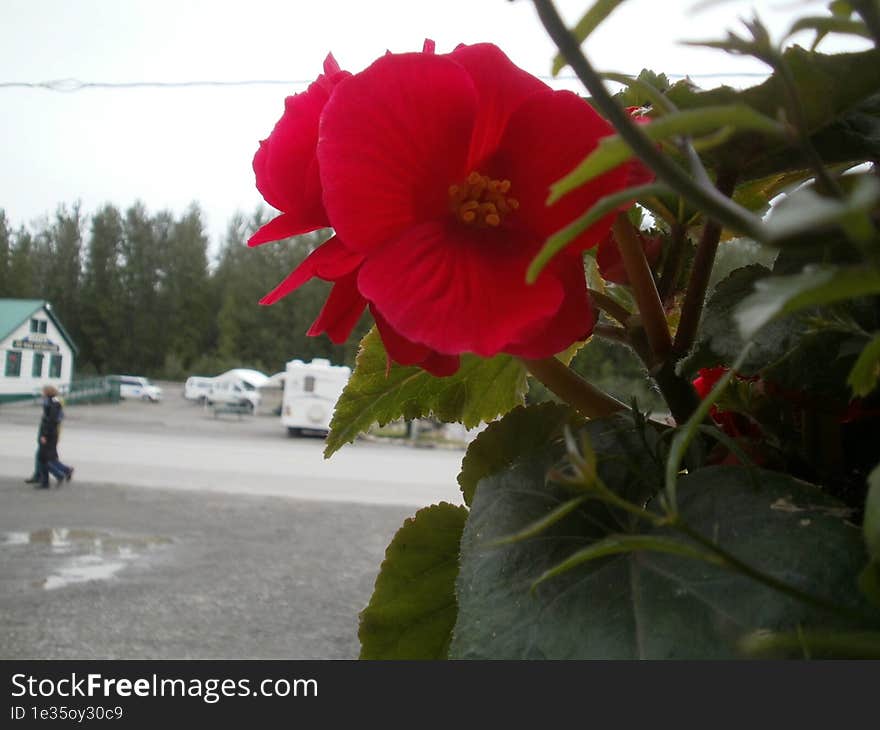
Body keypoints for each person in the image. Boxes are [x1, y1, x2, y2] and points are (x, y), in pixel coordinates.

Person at [33, 385, 74, 488]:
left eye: (43, 391)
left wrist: (45, 435)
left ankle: (52, 478)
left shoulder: (53, 403)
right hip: (51, 433)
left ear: (47, 392)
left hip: (50, 434)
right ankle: (63, 472)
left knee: (43, 458)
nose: (42, 393)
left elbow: (51, 420)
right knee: (50, 457)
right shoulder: (52, 402)